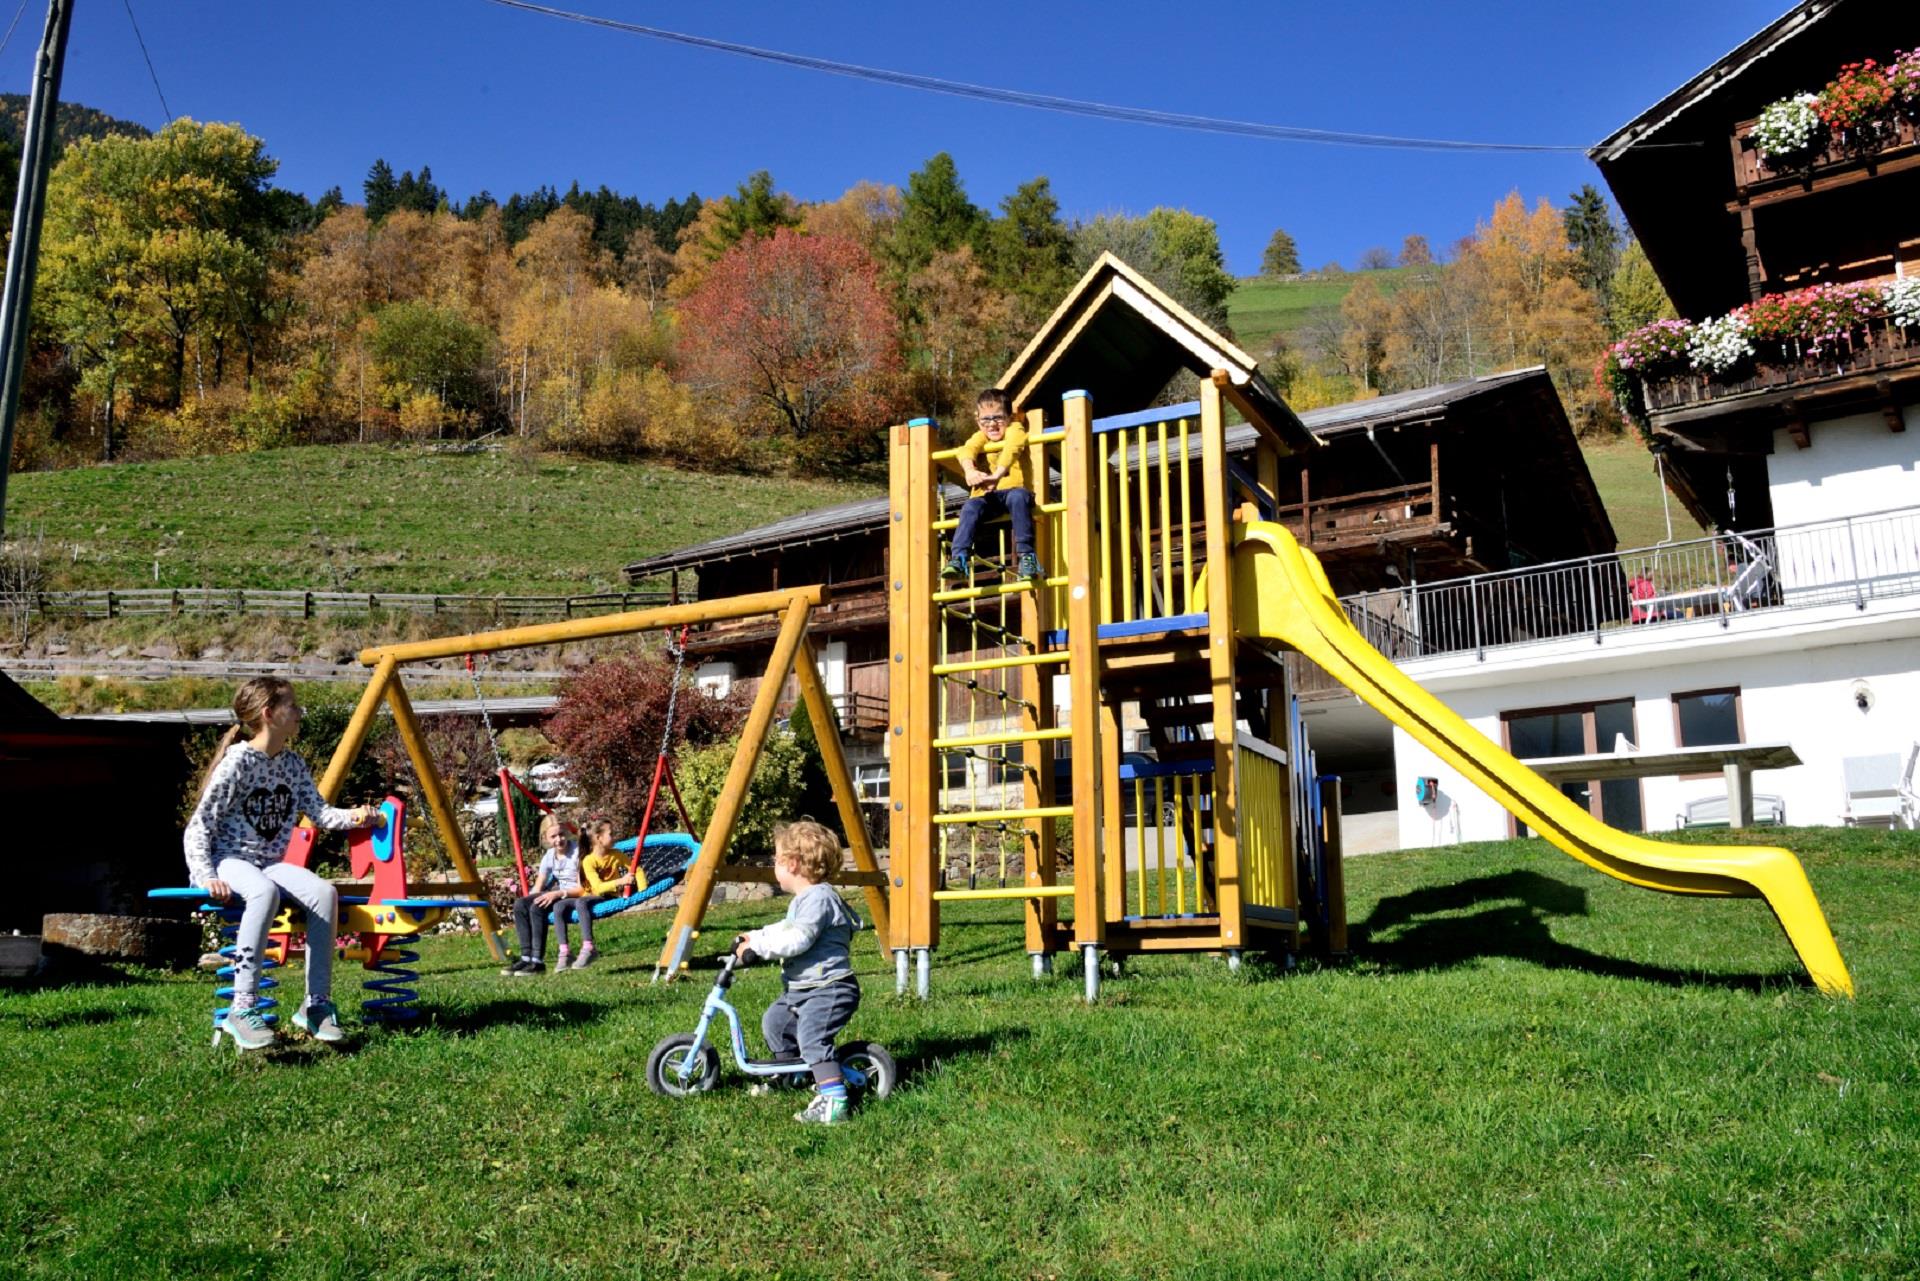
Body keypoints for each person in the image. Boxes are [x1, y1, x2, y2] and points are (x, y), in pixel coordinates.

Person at [182, 676, 386, 1052]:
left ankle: (316, 1005)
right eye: (292, 706)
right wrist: (205, 875)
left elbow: (321, 814)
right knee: (263, 892)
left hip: (270, 862)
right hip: (231, 860)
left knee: (324, 892)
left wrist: (361, 817)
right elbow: (199, 826)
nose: (300, 713)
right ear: (269, 714)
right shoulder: (238, 764)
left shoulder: (292, 764)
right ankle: (242, 1008)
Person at [734, 819, 864, 1125]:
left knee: (812, 1038)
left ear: (792, 863)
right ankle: (793, 1075)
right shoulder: (804, 900)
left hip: (829, 988)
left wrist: (761, 950)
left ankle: (834, 1101)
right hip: (804, 988)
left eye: (775, 861)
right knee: (776, 1023)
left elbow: (798, 938)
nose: (773, 867)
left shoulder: (819, 898)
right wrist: (755, 936)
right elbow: (785, 928)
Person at [943, 386, 1041, 582]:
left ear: (1009, 417)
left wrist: (997, 475)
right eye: (985, 419)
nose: (992, 424)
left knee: (1017, 497)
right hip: (992, 497)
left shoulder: (1015, 429)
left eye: (998, 418)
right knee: (971, 506)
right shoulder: (981, 436)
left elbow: (1013, 447)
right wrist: (970, 471)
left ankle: (1027, 556)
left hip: (1016, 491)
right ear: (977, 420)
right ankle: (959, 558)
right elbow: (965, 450)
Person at [550, 818, 634, 970]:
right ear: (598, 839)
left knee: (581, 903)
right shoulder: (587, 859)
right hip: (592, 892)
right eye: (611, 834)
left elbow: (632, 869)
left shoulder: (612, 854)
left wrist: (636, 886)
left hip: (607, 893)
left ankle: (589, 947)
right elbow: (590, 887)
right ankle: (564, 952)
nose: (614, 836)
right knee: (559, 907)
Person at [503, 814, 580, 976]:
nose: (559, 839)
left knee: (538, 907)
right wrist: (526, 902)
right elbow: (538, 886)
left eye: (561, 834)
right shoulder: (549, 856)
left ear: (566, 833)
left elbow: (582, 888)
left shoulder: (577, 852)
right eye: (553, 836)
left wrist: (555, 894)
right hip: (560, 892)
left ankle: (537, 961)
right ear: (545, 838)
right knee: (521, 904)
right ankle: (526, 957)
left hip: (574, 894)